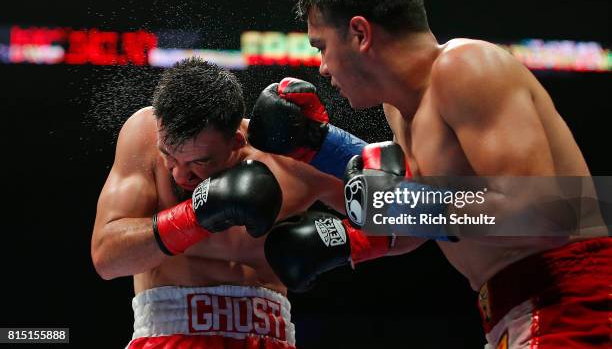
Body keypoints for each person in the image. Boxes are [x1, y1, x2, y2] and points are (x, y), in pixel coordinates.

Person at [250, 0, 611, 349]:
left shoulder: (466, 68)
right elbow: (421, 220)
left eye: (321, 46)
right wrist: (319, 152)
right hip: (512, 311)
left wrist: (413, 204)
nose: (322, 67)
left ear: (359, 33)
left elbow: (547, 214)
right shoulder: (400, 109)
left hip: (574, 301)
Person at [91, 57, 412, 348]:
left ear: (236, 142)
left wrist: (343, 243)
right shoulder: (144, 133)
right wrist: (197, 214)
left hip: (269, 337)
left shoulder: (290, 157)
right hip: (167, 334)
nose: (179, 174)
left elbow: (413, 219)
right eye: (169, 156)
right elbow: (107, 258)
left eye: (199, 162)